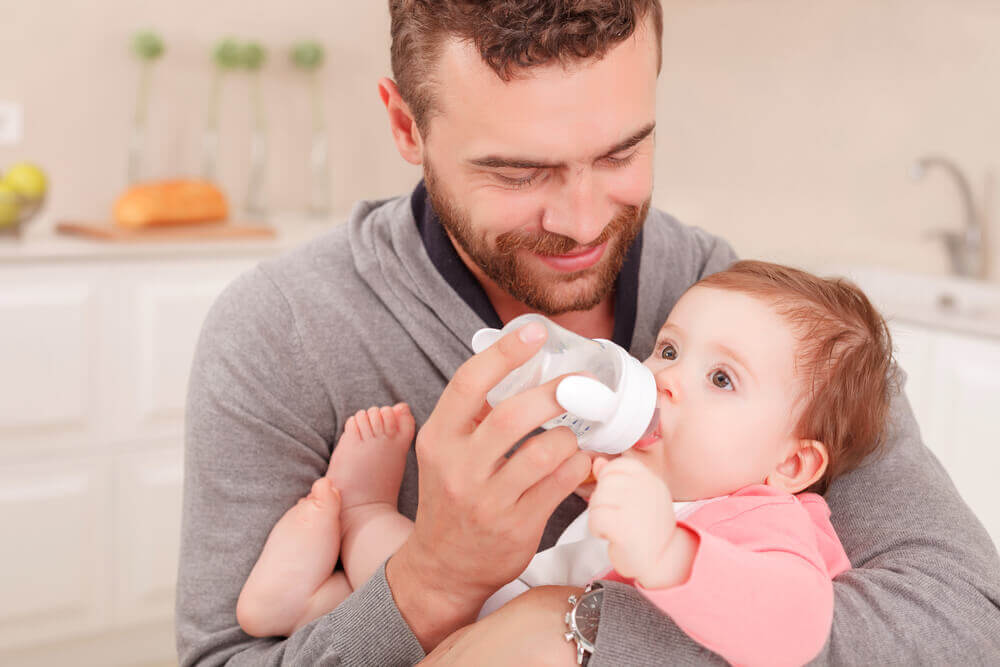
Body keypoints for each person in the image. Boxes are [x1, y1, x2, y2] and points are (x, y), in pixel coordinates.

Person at [175, 1, 1000, 665]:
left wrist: (570, 629)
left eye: (620, 154)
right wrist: (434, 579)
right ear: (406, 126)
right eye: (518, 170)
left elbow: (965, 623)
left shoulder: (761, 324)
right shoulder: (284, 330)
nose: (580, 221)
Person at [233, 259, 892, 667]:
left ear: (792, 463)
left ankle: (351, 535)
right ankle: (322, 584)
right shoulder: (641, 469)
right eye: (668, 350)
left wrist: (669, 552)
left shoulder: (764, 517)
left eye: (722, 378)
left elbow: (797, 628)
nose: (665, 379)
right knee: (420, 565)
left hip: (541, 634)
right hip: (503, 617)